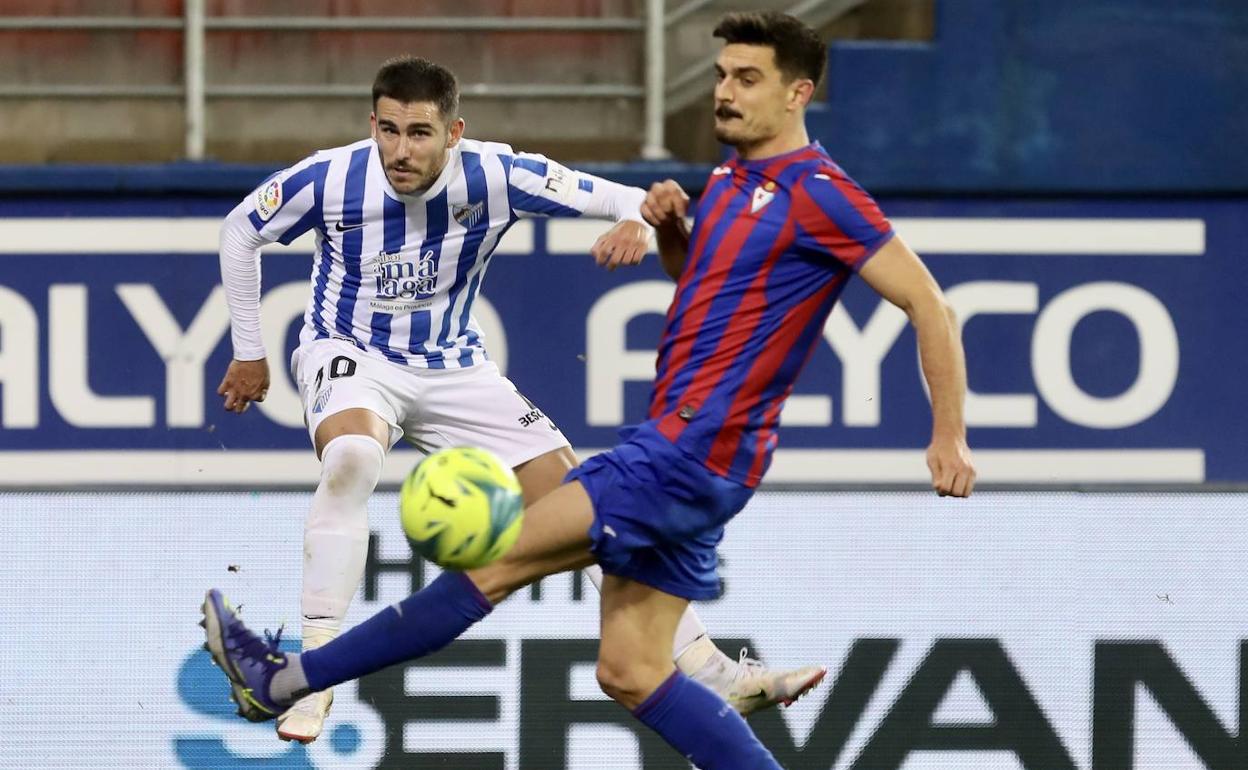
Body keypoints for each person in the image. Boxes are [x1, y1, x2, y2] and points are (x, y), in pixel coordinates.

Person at [204, 12, 975, 766]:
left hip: (670, 447)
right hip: (690, 457)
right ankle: (710, 672)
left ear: (797, 93)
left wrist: (948, 435)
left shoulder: (817, 192)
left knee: (494, 562)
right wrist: (668, 229)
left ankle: (289, 680)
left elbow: (929, 304)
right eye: (719, 75)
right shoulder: (735, 180)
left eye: (747, 78)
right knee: (630, 670)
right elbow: (700, 279)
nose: (723, 93)